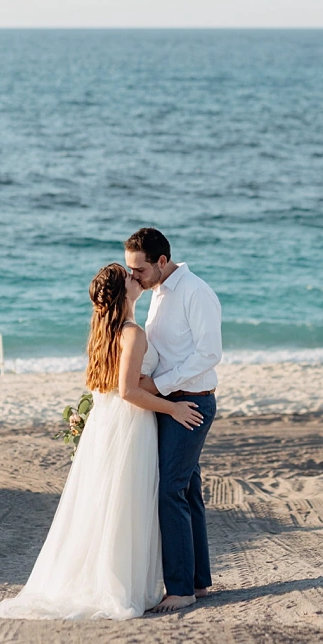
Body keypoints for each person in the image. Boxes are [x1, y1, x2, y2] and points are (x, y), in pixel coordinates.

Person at [0, 263, 203, 620]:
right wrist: (173, 409)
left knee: (106, 500)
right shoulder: (132, 333)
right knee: (126, 501)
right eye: (129, 276)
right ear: (124, 291)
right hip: (130, 424)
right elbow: (128, 392)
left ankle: (114, 577)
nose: (135, 277)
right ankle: (119, 584)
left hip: (106, 425)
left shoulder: (102, 333)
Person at [124, 228, 223, 613]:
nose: (134, 277)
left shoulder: (196, 292)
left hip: (191, 403)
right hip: (167, 402)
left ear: (162, 262)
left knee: (169, 490)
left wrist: (158, 385)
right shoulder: (158, 293)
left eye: (139, 269)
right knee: (187, 490)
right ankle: (197, 583)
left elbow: (209, 354)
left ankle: (179, 589)